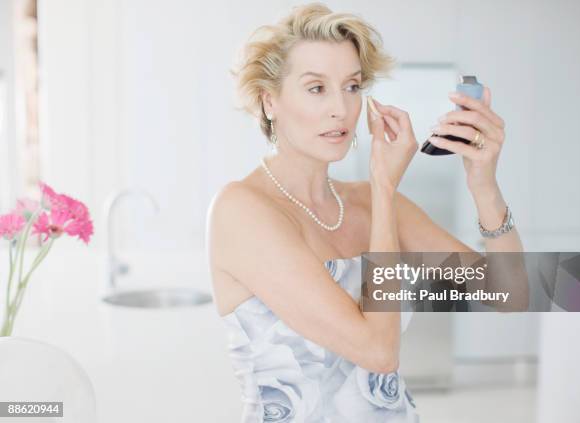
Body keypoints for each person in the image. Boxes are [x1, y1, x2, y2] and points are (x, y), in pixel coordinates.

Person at [206, 3, 523, 422]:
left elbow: (509, 293)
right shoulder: (242, 210)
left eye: (352, 86)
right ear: (269, 102)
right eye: (316, 88)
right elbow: (378, 351)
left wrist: (483, 184)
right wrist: (385, 189)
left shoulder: (367, 201)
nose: (341, 108)